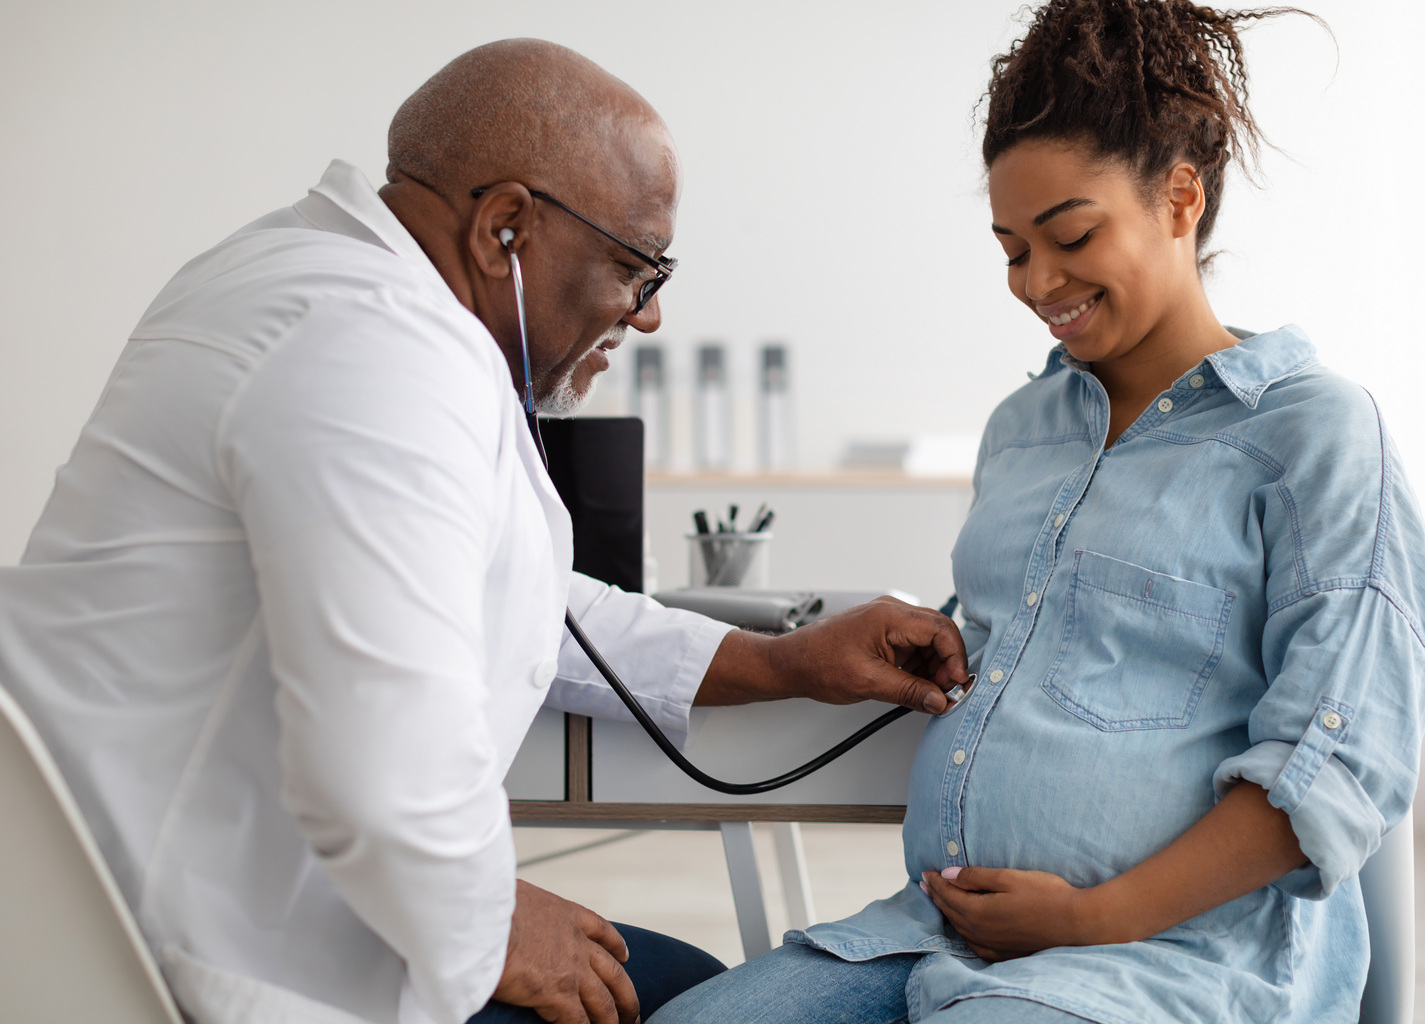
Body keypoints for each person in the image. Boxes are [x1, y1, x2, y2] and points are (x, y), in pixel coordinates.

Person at [0, 39, 971, 1024]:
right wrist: (494, 923)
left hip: (161, 894)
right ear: (505, 228)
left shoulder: (328, 290)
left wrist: (782, 661)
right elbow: (383, 775)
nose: (647, 319)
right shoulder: (376, 353)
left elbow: (518, 602)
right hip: (193, 956)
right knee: (695, 1001)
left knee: (679, 980)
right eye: (637, 269)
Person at [651, 2, 1425, 1022]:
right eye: (1012, 247)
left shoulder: (1316, 436)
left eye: (1069, 236)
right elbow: (1061, 656)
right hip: (930, 935)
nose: (1035, 283)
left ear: (1181, 198)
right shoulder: (1024, 428)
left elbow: (1335, 766)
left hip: (1175, 964)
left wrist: (1094, 915)